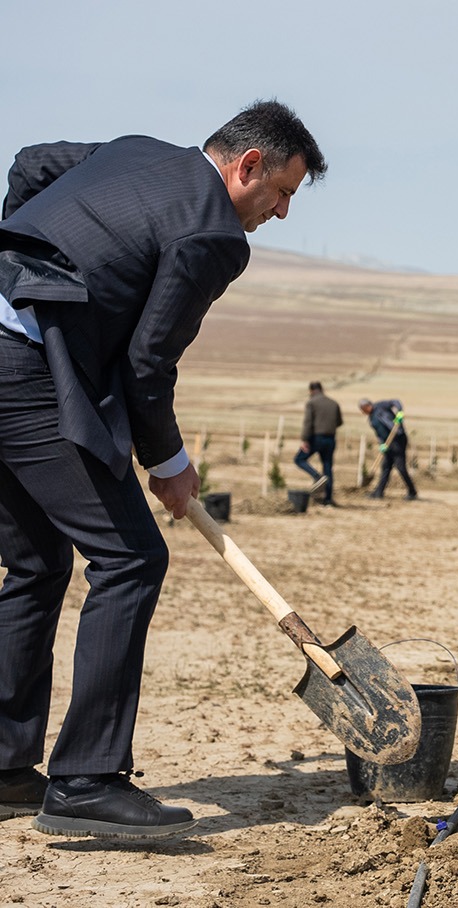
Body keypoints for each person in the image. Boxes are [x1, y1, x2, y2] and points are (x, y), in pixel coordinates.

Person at [0, 100, 326, 837]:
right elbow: (149, 363)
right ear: (248, 166)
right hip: (25, 373)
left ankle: (4, 767)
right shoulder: (213, 232)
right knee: (131, 558)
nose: (280, 213)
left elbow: (28, 164)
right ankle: (86, 783)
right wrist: (169, 462)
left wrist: (28, 271)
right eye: (281, 193)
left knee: (38, 561)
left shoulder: (134, 149)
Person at [294, 381, 343, 505]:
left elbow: (308, 422)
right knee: (328, 467)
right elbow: (339, 422)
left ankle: (316, 476)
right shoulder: (333, 403)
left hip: (316, 438)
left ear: (311, 390)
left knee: (299, 459)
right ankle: (328, 499)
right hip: (331, 439)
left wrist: (305, 439)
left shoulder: (311, 403)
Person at [359, 398, 417, 500]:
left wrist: (399, 412)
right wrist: (382, 444)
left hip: (398, 439)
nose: (363, 413)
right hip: (388, 443)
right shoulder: (371, 419)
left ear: (367, 406)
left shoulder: (380, 406)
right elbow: (379, 433)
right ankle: (378, 492)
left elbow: (396, 402)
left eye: (363, 410)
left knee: (400, 467)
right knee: (386, 467)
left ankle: (412, 492)